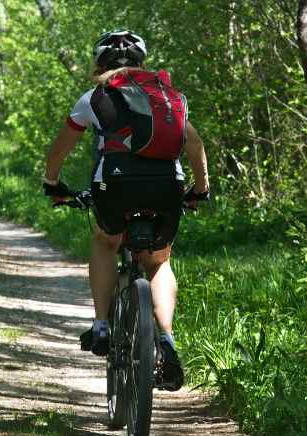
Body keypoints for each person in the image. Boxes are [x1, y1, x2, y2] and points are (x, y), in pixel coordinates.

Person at [43, 30, 210, 391]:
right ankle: (166, 339)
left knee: (105, 240)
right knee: (159, 261)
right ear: (142, 62)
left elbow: (60, 150)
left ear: (99, 64)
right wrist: (200, 189)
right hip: (167, 185)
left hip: (115, 185)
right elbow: (194, 144)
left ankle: (102, 325)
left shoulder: (94, 97)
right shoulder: (168, 96)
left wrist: (52, 184)